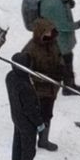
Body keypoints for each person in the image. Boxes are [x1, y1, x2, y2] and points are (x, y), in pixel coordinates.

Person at [38, 0, 80, 95]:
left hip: (51, 37)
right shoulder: (53, 3)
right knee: (66, 60)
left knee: (60, 61)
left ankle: (63, 85)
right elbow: (62, 25)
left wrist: (67, 3)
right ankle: (68, 87)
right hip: (59, 40)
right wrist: (77, 25)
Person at [22, 18, 63, 151]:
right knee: (35, 116)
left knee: (47, 114)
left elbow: (59, 58)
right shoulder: (31, 49)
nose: (50, 34)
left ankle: (43, 140)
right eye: (47, 32)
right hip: (37, 90)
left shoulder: (53, 44)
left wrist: (62, 70)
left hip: (52, 89)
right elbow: (26, 71)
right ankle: (30, 140)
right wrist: (45, 78)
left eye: (51, 32)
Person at [5, 52, 46, 160]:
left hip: (16, 116)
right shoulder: (25, 86)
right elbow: (30, 110)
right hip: (27, 122)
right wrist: (39, 123)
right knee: (28, 150)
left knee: (17, 144)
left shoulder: (10, 77)